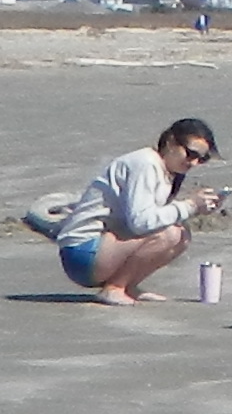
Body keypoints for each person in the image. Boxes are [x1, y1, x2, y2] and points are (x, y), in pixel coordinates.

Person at [37, 117, 222, 303]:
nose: (194, 162)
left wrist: (198, 208)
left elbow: (152, 217)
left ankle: (128, 286)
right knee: (168, 234)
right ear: (171, 142)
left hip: (104, 248)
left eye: (202, 159)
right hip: (81, 251)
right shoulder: (146, 163)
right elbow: (141, 222)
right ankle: (114, 287)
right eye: (190, 154)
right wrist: (189, 205)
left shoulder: (167, 171)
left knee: (181, 235)